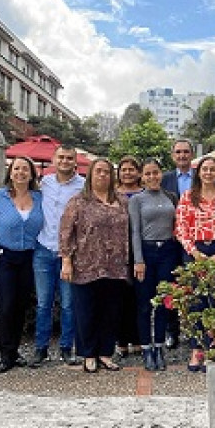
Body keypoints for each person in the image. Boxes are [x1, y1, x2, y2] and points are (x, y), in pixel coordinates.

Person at [59, 158, 130, 374]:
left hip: (115, 266)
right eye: (98, 171)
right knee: (86, 311)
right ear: (90, 174)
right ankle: (88, 354)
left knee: (111, 311)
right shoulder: (78, 201)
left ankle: (105, 353)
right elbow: (66, 232)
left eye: (106, 171)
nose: (102, 175)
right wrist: (66, 260)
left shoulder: (122, 201)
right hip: (86, 265)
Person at [174, 155, 215, 372]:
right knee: (196, 303)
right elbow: (180, 229)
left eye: (212, 169)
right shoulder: (187, 197)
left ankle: (213, 348)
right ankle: (196, 349)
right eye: (204, 169)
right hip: (194, 252)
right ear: (198, 173)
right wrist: (195, 253)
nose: (208, 173)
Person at [0, 156, 44, 373]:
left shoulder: (39, 198)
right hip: (4, 257)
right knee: (7, 305)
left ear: (32, 174)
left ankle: (15, 351)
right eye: (16, 168)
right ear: (10, 172)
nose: (20, 173)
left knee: (21, 306)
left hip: (29, 257)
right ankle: (5, 355)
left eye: (25, 169)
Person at [32, 145, 84, 367]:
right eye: (61, 157)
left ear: (75, 161)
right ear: (54, 159)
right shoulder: (44, 183)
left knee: (68, 304)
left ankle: (66, 347)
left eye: (69, 158)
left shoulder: (83, 186)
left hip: (69, 252)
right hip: (43, 248)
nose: (64, 161)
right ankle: (41, 348)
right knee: (43, 303)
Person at [129, 158, 180, 372]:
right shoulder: (137, 200)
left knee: (163, 302)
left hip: (167, 251)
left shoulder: (171, 197)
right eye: (148, 173)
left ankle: (159, 346)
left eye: (155, 172)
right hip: (147, 251)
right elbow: (134, 231)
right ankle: (146, 349)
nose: (152, 177)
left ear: (161, 173)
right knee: (144, 304)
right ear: (142, 176)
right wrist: (138, 260)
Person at [161, 138, 195, 347]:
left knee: (195, 286)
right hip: (171, 241)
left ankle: (196, 332)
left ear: (192, 154)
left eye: (186, 151)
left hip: (196, 242)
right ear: (173, 155)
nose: (182, 155)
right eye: (178, 152)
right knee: (172, 287)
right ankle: (171, 331)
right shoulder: (164, 179)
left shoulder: (201, 177)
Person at [114, 155, 143, 362]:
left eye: (131, 169)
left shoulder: (145, 193)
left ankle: (138, 338)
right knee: (120, 297)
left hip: (139, 249)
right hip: (117, 250)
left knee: (138, 297)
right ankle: (121, 340)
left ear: (138, 172)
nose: (127, 173)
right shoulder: (112, 194)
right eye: (123, 169)